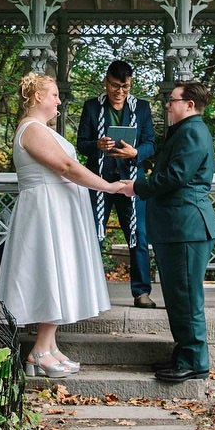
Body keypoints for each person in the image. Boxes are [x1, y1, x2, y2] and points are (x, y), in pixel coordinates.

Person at [0, 72, 131, 378]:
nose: (59, 100)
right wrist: (109, 187)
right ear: (38, 97)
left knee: (58, 273)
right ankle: (39, 352)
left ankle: (49, 346)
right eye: (54, 94)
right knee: (49, 272)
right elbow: (67, 167)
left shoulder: (41, 129)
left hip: (57, 209)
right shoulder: (31, 129)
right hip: (46, 211)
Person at [124, 80, 215, 383]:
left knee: (187, 297)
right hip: (177, 228)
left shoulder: (192, 131)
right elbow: (170, 168)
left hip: (187, 228)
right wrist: (136, 156)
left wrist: (136, 186)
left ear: (189, 104)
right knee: (178, 297)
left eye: (173, 99)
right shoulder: (185, 132)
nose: (168, 104)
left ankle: (195, 361)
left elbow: (175, 176)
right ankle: (184, 353)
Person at [76, 59, 158, 308]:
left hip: (131, 182)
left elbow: (151, 143)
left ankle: (141, 292)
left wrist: (135, 154)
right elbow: (81, 144)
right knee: (93, 236)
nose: (120, 92)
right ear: (106, 81)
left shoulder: (141, 108)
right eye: (115, 86)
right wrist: (96, 145)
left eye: (125, 87)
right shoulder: (91, 107)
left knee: (139, 236)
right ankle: (87, 292)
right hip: (98, 181)